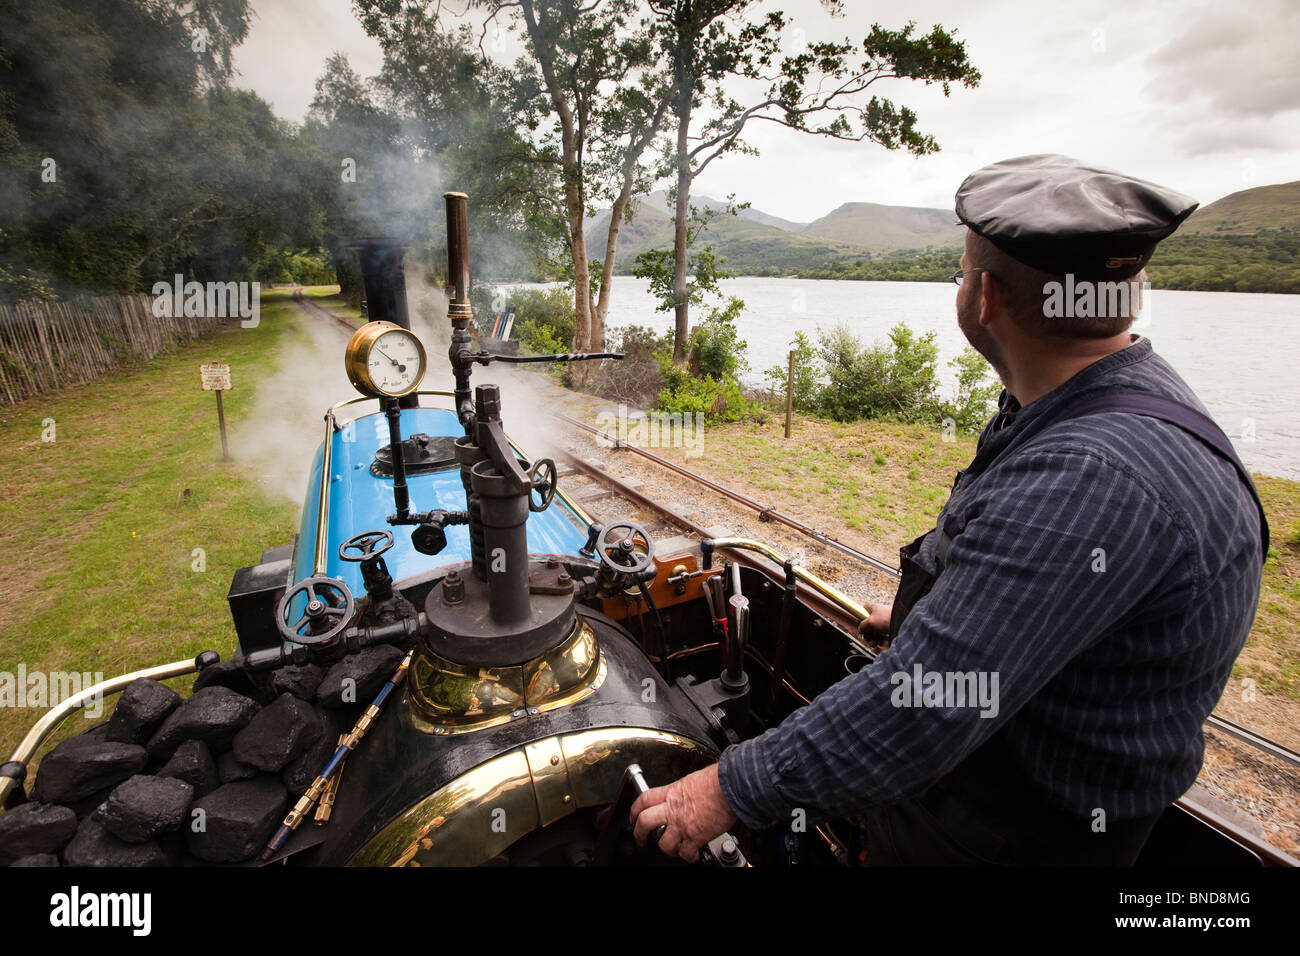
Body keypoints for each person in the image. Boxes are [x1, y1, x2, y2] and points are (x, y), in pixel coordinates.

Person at [630, 154, 1269, 865]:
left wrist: (725, 789)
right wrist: (925, 614)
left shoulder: (1088, 478)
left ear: (985, 297)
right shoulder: (1105, 398)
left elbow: (925, 707)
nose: (962, 287)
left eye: (961, 273)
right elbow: (1032, 591)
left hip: (1005, 837)